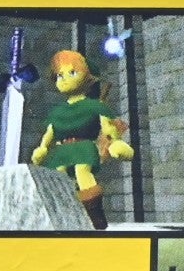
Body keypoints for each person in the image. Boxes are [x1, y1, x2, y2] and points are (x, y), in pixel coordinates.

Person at [30, 49, 133, 230]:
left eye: (72, 72)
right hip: (62, 152)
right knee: (57, 177)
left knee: (82, 171)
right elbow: (50, 133)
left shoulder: (93, 106)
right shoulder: (58, 112)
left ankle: (94, 217)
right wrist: (43, 148)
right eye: (60, 75)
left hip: (83, 148)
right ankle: (61, 216)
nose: (64, 79)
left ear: (88, 77)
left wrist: (116, 143)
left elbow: (108, 128)